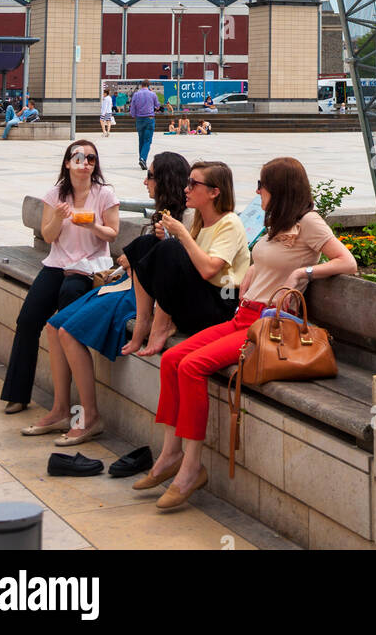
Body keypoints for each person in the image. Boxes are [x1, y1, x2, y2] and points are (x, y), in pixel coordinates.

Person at [138, 156, 357, 511]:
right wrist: (254, 268)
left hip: (266, 326)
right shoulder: (278, 222)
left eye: (262, 185)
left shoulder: (309, 223)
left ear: (280, 189)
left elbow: (347, 262)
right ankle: (170, 454)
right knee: (173, 358)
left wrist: (305, 272)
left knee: (192, 367)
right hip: (243, 316)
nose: (256, 191)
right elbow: (266, 260)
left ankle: (191, 467)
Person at [24, 154, 190, 444]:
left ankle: (89, 418)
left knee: (68, 332)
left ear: (164, 180)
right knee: (53, 326)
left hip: (137, 294)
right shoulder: (165, 214)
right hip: (126, 284)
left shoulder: (185, 218)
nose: (145, 181)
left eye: (150, 176)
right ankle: (62, 410)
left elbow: (179, 267)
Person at [1, 141, 119, 415]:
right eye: (78, 157)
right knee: (28, 320)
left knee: (67, 312)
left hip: (89, 267)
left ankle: (66, 404)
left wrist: (92, 225)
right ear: (68, 163)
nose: (85, 162)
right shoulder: (55, 195)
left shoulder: (105, 194)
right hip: (56, 263)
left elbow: (113, 233)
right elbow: (49, 235)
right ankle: (18, 394)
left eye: (91, 158)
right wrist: (57, 217)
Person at [120, 160, 247, 358]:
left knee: (170, 247)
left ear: (214, 192)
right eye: (188, 183)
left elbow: (208, 270)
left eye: (193, 184)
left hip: (221, 305)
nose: (186, 189)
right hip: (199, 299)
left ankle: (161, 325)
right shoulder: (199, 219)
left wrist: (181, 234)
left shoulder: (230, 222)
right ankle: (144, 320)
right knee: (145, 243)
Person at [130, 79, 160, 171]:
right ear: (149, 85)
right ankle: (143, 158)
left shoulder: (136, 94)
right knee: (147, 140)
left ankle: (141, 158)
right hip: (149, 118)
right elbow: (157, 106)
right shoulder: (152, 94)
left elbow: (133, 106)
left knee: (141, 139)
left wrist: (133, 115)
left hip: (139, 119)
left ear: (141, 85)